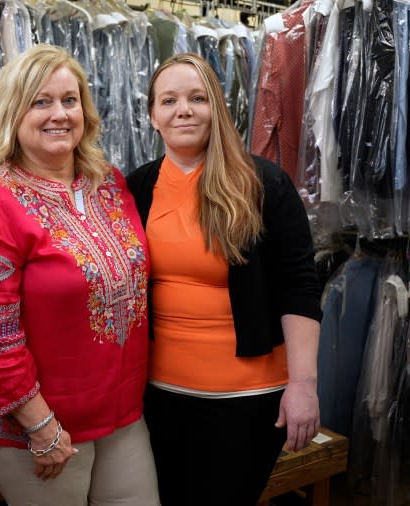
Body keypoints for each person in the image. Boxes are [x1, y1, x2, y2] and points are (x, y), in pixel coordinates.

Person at [0, 45, 159, 506]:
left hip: (120, 411)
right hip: (36, 423)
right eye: (41, 101)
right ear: (13, 112)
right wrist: (40, 425)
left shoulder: (108, 183)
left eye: (70, 100)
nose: (59, 114)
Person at [126, 53, 323, 505]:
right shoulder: (135, 188)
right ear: (153, 115)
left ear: (217, 107)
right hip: (156, 398)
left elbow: (300, 289)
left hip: (247, 398)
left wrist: (303, 387)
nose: (184, 110)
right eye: (169, 100)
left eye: (198, 98)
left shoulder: (263, 184)